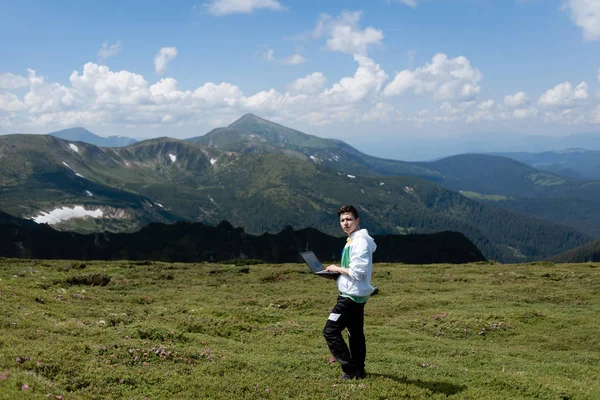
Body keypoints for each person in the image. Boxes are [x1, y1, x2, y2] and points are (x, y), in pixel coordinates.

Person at [323, 205, 377, 380]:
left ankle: (350, 369)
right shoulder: (354, 239)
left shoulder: (359, 241)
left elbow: (358, 271)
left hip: (350, 297)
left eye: (349, 220)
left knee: (330, 331)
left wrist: (335, 268)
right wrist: (336, 276)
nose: (345, 223)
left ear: (357, 220)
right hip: (356, 294)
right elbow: (352, 272)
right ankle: (359, 371)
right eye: (342, 220)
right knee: (355, 333)